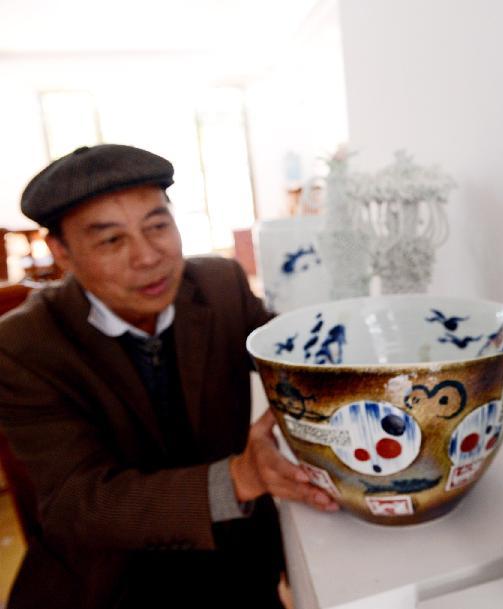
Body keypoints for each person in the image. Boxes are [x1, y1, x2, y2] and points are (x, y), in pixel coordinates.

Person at [0, 144, 339, 609]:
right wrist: (239, 476)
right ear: (61, 249)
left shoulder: (220, 286)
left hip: (238, 562)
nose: (147, 256)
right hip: (112, 584)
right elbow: (78, 504)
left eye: (158, 226)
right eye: (111, 240)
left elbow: (296, 361)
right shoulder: (23, 346)